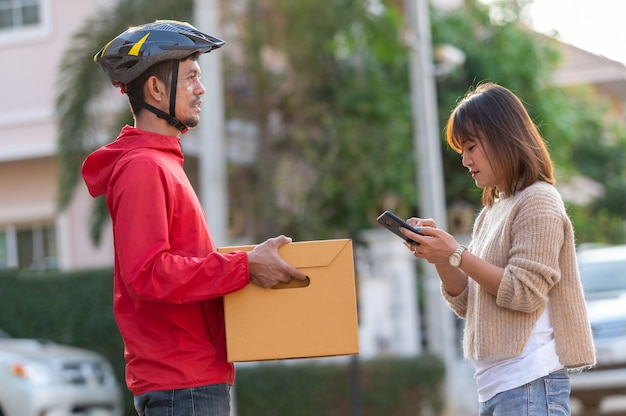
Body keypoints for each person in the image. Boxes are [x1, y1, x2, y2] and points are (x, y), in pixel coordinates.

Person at [82, 20, 307, 416]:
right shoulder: (143, 168)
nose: (200, 89)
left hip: (192, 379)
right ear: (155, 89)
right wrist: (244, 266)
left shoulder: (160, 163)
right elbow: (147, 273)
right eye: (190, 78)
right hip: (182, 385)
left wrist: (247, 266)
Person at [400, 82, 595, 415]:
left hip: (530, 384)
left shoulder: (539, 201)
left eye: (472, 146)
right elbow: (469, 303)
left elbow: (524, 293)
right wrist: (441, 256)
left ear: (503, 137)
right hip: (498, 389)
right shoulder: (492, 211)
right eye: (462, 150)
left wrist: (456, 254)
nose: (465, 160)